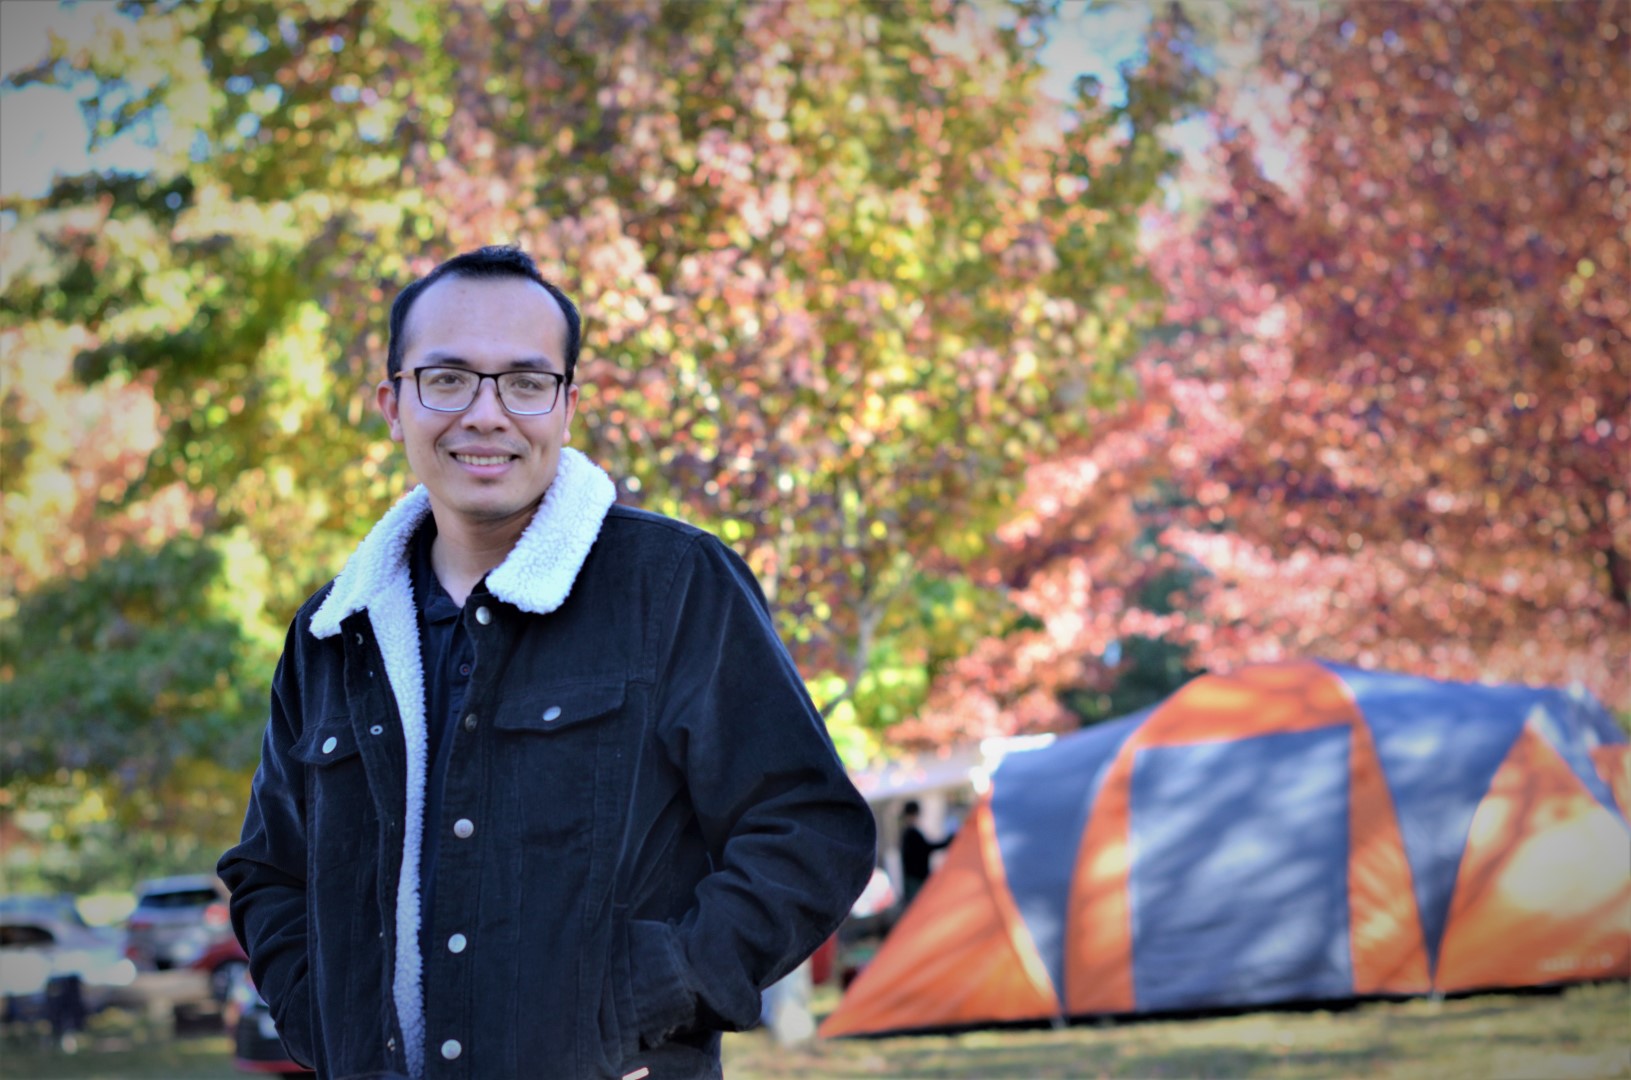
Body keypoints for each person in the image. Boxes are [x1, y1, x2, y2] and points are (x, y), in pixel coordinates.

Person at [218, 245, 877, 1080]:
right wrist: (325, 1019)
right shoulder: (330, 634)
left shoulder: (673, 585)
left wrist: (651, 997)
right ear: (392, 404)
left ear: (566, 406)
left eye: (525, 383)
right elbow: (270, 872)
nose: (486, 415)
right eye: (447, 379)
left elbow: (808, 829)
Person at [898, 800, 954, 907]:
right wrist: (947, 842)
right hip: (916, 879)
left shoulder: (907, 833)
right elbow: (926, 848)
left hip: (914, 878)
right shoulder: (911, 833)